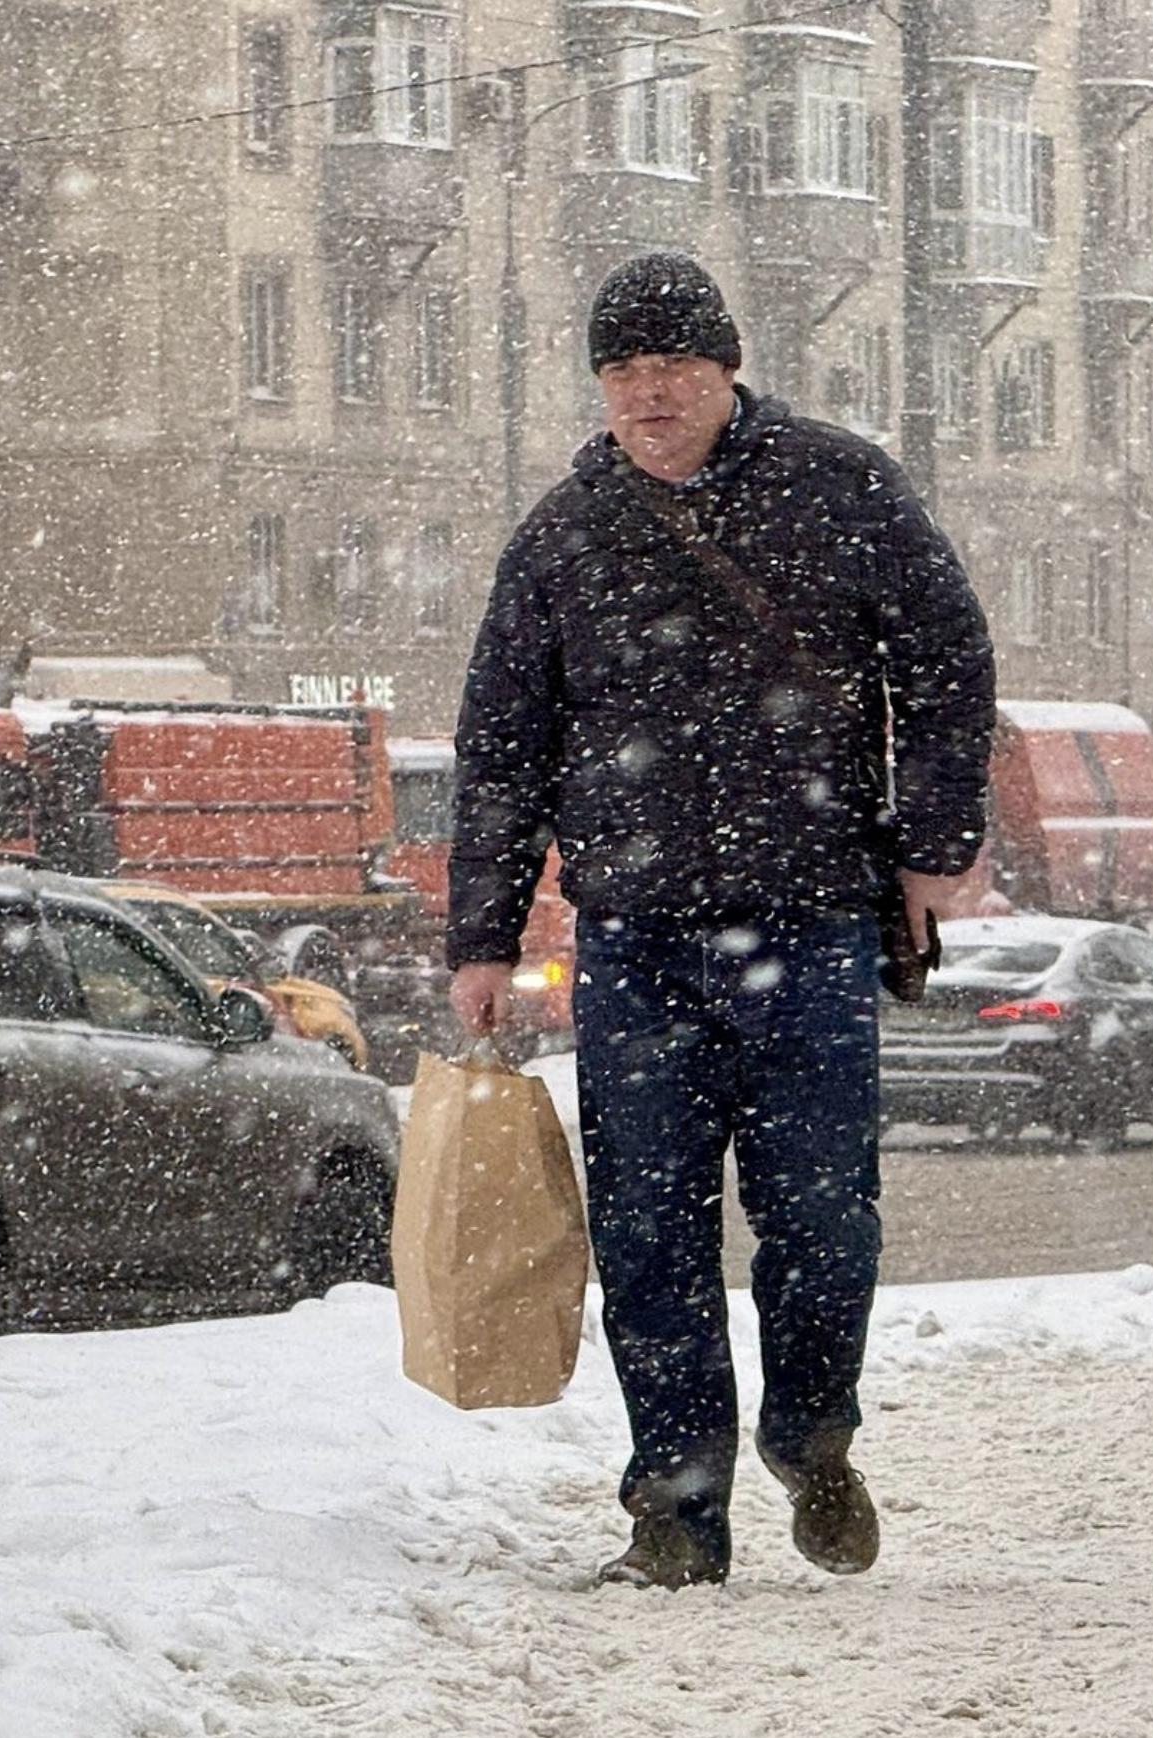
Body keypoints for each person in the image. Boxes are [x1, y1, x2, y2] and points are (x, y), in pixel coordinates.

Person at [445, 251, 994, 1589]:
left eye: (673, 370)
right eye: (623, 374)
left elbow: (947, 660)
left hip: (806, 924)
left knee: (822, 1217)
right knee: (647, 1234)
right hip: (631, 939)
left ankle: (811, 1430)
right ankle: (677, 1510)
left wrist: (930, 852)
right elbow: (502, 744)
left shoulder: (840, 487)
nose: (648, 396)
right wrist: (483, 934)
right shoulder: (564, 536)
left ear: (727, 368)